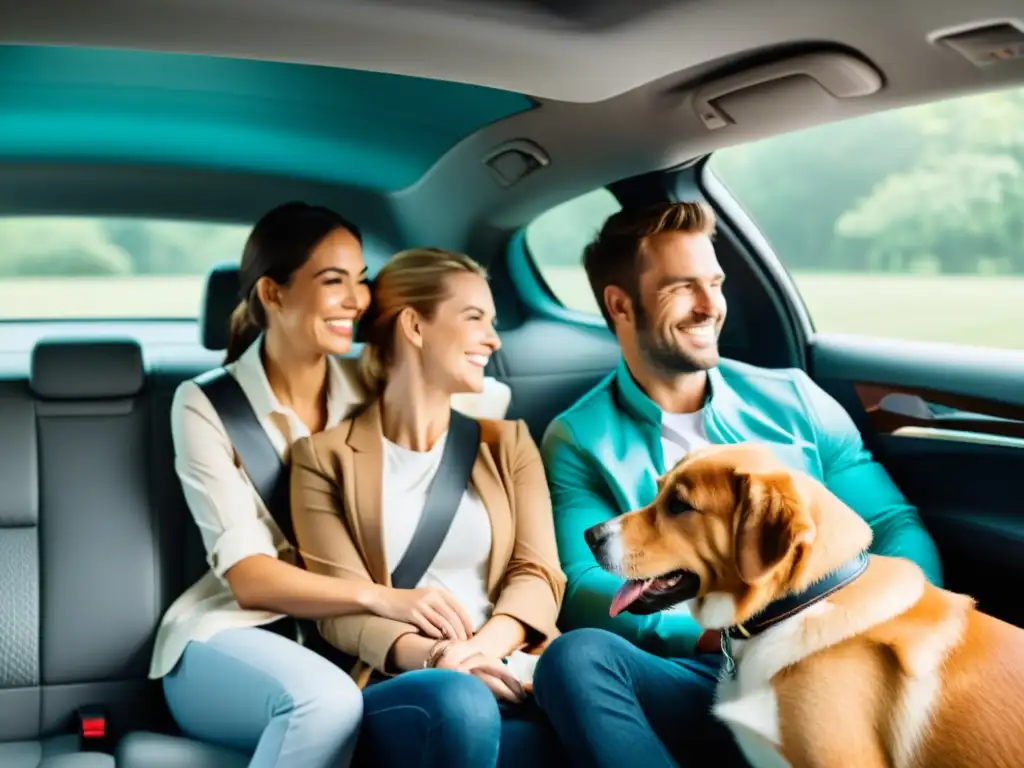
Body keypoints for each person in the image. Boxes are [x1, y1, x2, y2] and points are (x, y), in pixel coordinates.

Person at [532, 200, 945, 767]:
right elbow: (583, 586)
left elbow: (893, 524)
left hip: (839, 650)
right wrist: (733, 636)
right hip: (709, 669)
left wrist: (884, 618)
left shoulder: (795, 398)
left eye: (715, 283)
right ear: (621, 305)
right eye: (683, 287)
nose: (710, 306)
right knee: (577, 659)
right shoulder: (579, 437)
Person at [151, 203, 506, 768]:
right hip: (233, 635)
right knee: (322, 702)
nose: (356, 301)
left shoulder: (372, 385)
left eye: (361, 281)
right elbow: (247, 577)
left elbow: (471, 412)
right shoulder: (205, 403)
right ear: (273, 293)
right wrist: (383, 597)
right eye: (333, 281)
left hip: (350, 640)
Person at [289, 247, 569, 768]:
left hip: (512, 664)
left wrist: (481, 651)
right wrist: (440, 659)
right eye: (474, 319)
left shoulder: (507, 444)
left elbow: (538, 573)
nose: (493, 339)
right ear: (415, 326)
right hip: (407, 680)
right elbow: (341, 614)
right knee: (459, 702)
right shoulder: (321, 459)